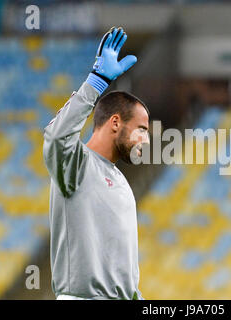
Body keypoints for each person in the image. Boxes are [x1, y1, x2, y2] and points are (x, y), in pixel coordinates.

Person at [43, 27, 150, 300]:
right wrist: (97, 81)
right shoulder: (75, 165)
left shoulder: (121, 183)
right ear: (115, 122)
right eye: (141, 129)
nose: (146, 141)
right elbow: (57, 136)